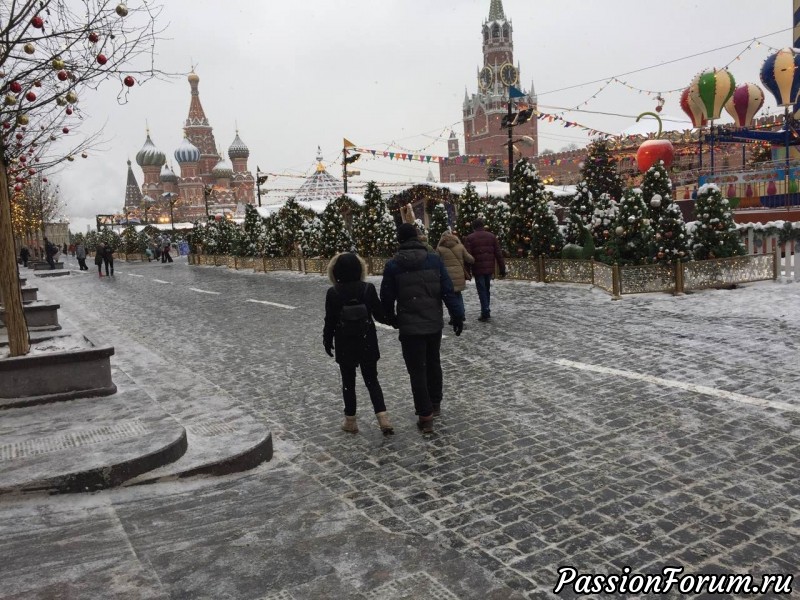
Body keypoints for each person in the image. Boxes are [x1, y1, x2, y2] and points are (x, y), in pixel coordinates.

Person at [380, 223, 464, 434]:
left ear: (399, 240)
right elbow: (447, 290)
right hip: (433, 323)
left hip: (409, 327)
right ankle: (435, 404)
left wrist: (393, 320)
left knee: (416, 370)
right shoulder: (434, 260)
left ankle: (425, 415)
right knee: (433, 363)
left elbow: (387, 298)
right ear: (417, 238)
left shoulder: (393, 266)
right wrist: (457, 315)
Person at [323, 252, 393, 435]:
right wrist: (395, 320)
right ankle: (383, 418)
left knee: (348, 383)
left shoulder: (333, 292)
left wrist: (327, 340)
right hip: (367, 340)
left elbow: (329, 320)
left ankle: (350, 421)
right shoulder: (367, 288)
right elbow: (380, 315)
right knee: (372, 381)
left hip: (345, 343)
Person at [463, 219, 506, 322]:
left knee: (482, 290)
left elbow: (467, 257)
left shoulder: (470, 238)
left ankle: (485, 311)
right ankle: (486, 309)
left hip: (477, 268)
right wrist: (502, 268)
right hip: (489, 267)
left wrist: (467, 272)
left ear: (473, 227)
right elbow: (498, 254)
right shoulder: (491, 236)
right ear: (483, 226)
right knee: (486, 289)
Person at [436, 230, 474, 319]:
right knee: (458, 295)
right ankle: (461, 314)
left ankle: (454, 317)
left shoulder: (440, 249)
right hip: (459, 276)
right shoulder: (460, 247)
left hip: (446, 277)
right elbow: (470, 259)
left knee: (450, 297)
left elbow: (436, 262)